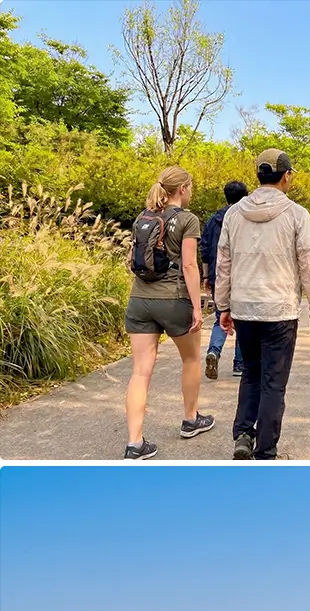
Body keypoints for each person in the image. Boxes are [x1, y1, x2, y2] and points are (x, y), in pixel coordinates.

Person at [216, 149, 310, 460]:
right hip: (280, 310)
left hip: (244, 307)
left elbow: (224, 263)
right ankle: (265, 450)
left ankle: (243, 434)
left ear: (258, 176)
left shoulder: (234, 214)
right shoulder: (296, 214)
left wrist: (223, 306)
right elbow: (309, 264)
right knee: (273, 382)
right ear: (286, 175)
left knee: (250, 373)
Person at [124, 166, 214, 460]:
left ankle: (135, 443)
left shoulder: (143, 217)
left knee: (140, 372)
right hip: (174, 300)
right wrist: (198, 307)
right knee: (190, 358)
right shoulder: (188, 220)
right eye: (191, 187)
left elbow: (133, 259)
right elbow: (189, 265)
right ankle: (190, 419)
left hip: (139, 299)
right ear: (183, 189)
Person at [202, 180, 248, 380]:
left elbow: (204, 248)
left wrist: (206, 275)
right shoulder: (244, 218)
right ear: (245, 196)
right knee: (242, 320)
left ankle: (214, 351)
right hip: (240, 275)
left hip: (216, 274)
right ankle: (239, 363)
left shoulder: (214, 220)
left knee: (220, 316)